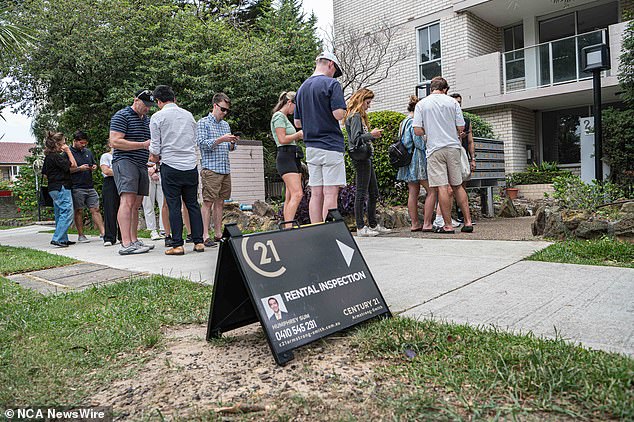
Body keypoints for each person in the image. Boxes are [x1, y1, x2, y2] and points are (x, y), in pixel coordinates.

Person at [149, 85, 205, 255]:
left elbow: (155, 148)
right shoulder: (188, 116)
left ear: (159, 101)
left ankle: (178, 245)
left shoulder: (157, 117)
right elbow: (194, 141)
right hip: (190, 165)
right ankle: (199, 242)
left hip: (171, 166)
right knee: (192, 204)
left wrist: (154, 158)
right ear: (174, 98)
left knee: (173, 205)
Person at [413, 77, 473, 233]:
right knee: (457, 185)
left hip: (434, 149)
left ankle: (448, 225)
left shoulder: (421, 104)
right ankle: (468, 222)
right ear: (445, 89)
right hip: (453, 148)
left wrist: (430, 131)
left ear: (431, 88)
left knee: (442, 187)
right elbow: (461, 127)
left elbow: (417, 130)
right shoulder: (452, 102)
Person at [294, 52, 347, 223]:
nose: (334, 75)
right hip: (331, 145)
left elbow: (297, 123)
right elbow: (338, 114)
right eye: (335, 70)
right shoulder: (332, 84)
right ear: (331, 64)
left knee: (316, 193)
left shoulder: (302, 88)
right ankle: (328, 233)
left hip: (311, 147)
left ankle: (315, 229)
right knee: (330, 192)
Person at [109, 89, 156, 255]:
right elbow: (115, 141)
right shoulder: (122, 116)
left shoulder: (147, 120)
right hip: (125, 161)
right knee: (127, 201)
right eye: (145, 105)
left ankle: (134, 240)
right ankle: (126, 243)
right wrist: (142, 145)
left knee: (136, 204)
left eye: (150, 106)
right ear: (136, 100)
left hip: (142, 163)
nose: (147, 108)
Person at [344, 88, 391, 237]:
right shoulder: (356, 116)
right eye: (368, 102)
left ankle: (372, 224)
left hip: (364, 157)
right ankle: (361, 227)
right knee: (362, 192)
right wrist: (372, 135)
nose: (369, 106)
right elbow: (355, 139)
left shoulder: (354, 116)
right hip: (361, 158)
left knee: (373, 192)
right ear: (361, 100)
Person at [197, 92, 239, 247]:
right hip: (211, 169)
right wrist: (222, 139)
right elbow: (202, 144)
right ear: (215, 105)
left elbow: (228, 148)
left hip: (224, 168)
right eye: (223, 109)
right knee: (208, 202)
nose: (225, 112)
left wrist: (233, 142)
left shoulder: (225, 125)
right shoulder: (203, 123)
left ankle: (218, 234)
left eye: (227, 110)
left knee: (220, 202)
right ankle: (204, 235)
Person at [396, 96, 435, 232]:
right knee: (432, 191)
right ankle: (427, 223)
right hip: (417, 160)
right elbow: (419, 143)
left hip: (407, 159)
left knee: (413, 192)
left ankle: (414, 224)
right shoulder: (414, 121)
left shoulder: (403, 122)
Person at [270, 91, 304, 226]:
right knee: (297, 193)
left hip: (293, 155)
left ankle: (287, 226)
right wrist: (298, 135)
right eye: (296, 106)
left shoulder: (284, 117)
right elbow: (282, 139)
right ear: (290, 103)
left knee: (290, 195)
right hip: (285, 156)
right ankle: (289, 227)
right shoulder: (278, 116)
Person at [41, 131, 78, 247]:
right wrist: (68, 151)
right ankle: (57, 238)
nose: (65, 145)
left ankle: (63, 238)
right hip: (62, 187)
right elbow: (73, 165)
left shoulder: (48, 158)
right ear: (57, 144)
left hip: (52, 188)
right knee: (67, 212)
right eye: (63, 143)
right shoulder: (57, 157)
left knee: (59, 213)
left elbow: (46, 174)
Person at [69, 130, 105, 242]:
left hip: (89, 185)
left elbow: (93, 163)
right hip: (76, 186)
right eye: (81, 143)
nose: (83, 145)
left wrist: (93, 167)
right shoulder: (68, 153)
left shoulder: (88, 152)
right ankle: (81, 235)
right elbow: (65, 170)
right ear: (75, 141)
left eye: (85, 143)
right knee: (79, 210)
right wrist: (79, 168)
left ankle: (103, 233)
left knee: (95, 209)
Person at [100, 140, 120, 246]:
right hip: (110, 183)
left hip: (121, 182)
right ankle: (109, 237)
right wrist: (121, 171)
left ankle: (123, 236)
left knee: (123, 209)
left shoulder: (122, 157)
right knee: (110, 210)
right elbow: (106, 171)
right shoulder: (106, 156)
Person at [142, 162, 165, 240]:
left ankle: (163, 229)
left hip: (161, 172)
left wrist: (155, 168)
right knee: (148, 204)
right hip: (146, 174)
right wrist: (150, 171)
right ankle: (152, 230)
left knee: (164, 204)